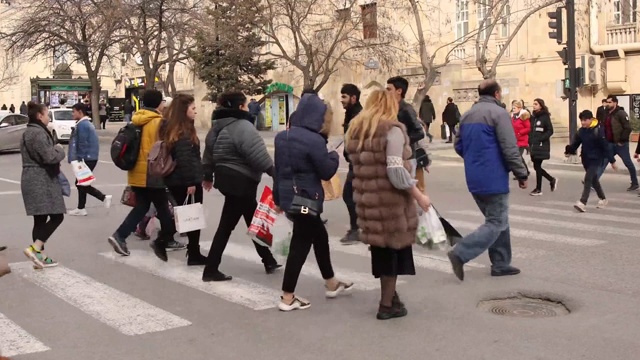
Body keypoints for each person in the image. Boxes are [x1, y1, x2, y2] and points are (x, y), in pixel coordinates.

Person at [346, 90, 431, 320]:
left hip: (368, 202)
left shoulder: (357, 131)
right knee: (393, 252)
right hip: (391, 202)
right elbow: (395, 171)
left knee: (381, 251)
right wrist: (418, 195)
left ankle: (391, 297)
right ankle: (386, 305)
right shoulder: (392, 131)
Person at [274, 92, 352, 311]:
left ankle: (331, 282)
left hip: (290, 197)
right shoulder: (314, 140)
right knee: (300, 245)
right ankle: (287, 297)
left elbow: (277, 172)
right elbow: (326, 171)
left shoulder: (283, 136)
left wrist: (278, 199)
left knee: (320, 237)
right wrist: (334, 156)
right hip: (307, 199)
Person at [448, 80, 528, 281]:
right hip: (494, 177)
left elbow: (458, 146)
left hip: (474, 177)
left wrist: (475, 158)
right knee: (496, 221)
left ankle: (501, 263)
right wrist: (521, 174)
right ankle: (460, 253)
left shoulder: (466, 115)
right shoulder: (499, 114)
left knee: (499, 219)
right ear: (497, 94)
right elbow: (510, 148)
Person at [202, 91, 280, 282]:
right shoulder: (243, 126)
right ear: (239, 107)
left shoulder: (217, 126)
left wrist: (207, 174)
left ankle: (268, 260)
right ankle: (211, 269)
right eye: (245, 104)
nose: (247, 107)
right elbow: (257, 153)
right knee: (227, 226)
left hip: (227, 179)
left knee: (251, 218)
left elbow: (208, 153)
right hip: (242, 180)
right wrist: (274, 172)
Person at [108, 90, 183, 261]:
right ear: (159, 104)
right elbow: (170, 146)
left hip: (136, 173)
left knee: (143, 207)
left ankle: (120, 236)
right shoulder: (160, 123)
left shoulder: (136, 120)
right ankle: (166, 239)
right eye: (163, 102)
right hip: (154, 173)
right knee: (163, 208)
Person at [160, 94, 207, 265]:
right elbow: (185, 159)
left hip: (178, 180)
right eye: (193, 108)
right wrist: (191, 183)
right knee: (191, 217)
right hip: (184, 180)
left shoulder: (176, 128)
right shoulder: (183, 131)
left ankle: (193, 252)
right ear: (183, 110)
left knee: (187, 217)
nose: (196, 111)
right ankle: (164, 241)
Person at [20, 102, 66, 269]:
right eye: (47, 114)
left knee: (39, 220)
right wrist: (60, 150)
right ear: (39, 116)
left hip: (34, 178)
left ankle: (39, 256)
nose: (48, 117)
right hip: (40, 179)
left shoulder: (30, 131)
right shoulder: (37, 133)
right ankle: (35, 248)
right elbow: (49, 157)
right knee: (57, 215)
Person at [565, 110, 617, 212]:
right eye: (581, 120)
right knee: (594, 180)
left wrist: (612, 161)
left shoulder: (598, 130)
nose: (583, 122)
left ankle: (582, 202)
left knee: (588, 179)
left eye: (585, 120)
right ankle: (603, 199)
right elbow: (576, 144)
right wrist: (569, 150)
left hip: (597, 159)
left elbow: (605, 146)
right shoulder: (581, 131)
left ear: (590, 119)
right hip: (586, 159)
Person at [67, 103, 112, 216]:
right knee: (82, 183)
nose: (72, 114)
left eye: (74, 111)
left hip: (87, 157)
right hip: (90, 157)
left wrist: (79, 159)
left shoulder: (83, 125)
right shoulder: (86, 123)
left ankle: (103, 197)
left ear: (80, 112)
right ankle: (81, 208)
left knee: (80, 183)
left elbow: (82, 142)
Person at [385, 76, 428, 192]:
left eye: (389, 89)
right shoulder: (389, 108)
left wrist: (403, 141)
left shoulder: (406, 109)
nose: (386, 92)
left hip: (407, 158)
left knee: (408, 192)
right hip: (394, 157)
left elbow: (419, 132)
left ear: (399, 91)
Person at [597, 95, 637, 191]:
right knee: (603, 162)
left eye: (610, 102)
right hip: (609, 143)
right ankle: (593, 181)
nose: (608, 104)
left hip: (621, 144)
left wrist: (622, 141)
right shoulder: (606, 114)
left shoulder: (621, 113)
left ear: (615, 103)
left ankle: (635, 183)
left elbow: (628, 128)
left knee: (628, 163)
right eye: (607, 102)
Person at [339, 83, 363, 245]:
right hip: (354, 162)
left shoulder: (358, 116)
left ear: (353, 98)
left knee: (349, 195)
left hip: (359, 163)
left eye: (344, 96)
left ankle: (356, 230)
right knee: (353, 196)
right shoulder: (351, 114)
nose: (341, 100)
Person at [529, 98, 557, 196]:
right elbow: (531, 131)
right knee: (537, 167)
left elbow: (550, 130)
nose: (534, 105)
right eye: (533, 104)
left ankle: (539, 188)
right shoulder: (533, 117)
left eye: (536, 104)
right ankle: (551, 180)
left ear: (541, 105)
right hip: (533, 145)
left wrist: (541, 138)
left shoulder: (544, 117)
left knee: (537, 166)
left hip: (541, 145)